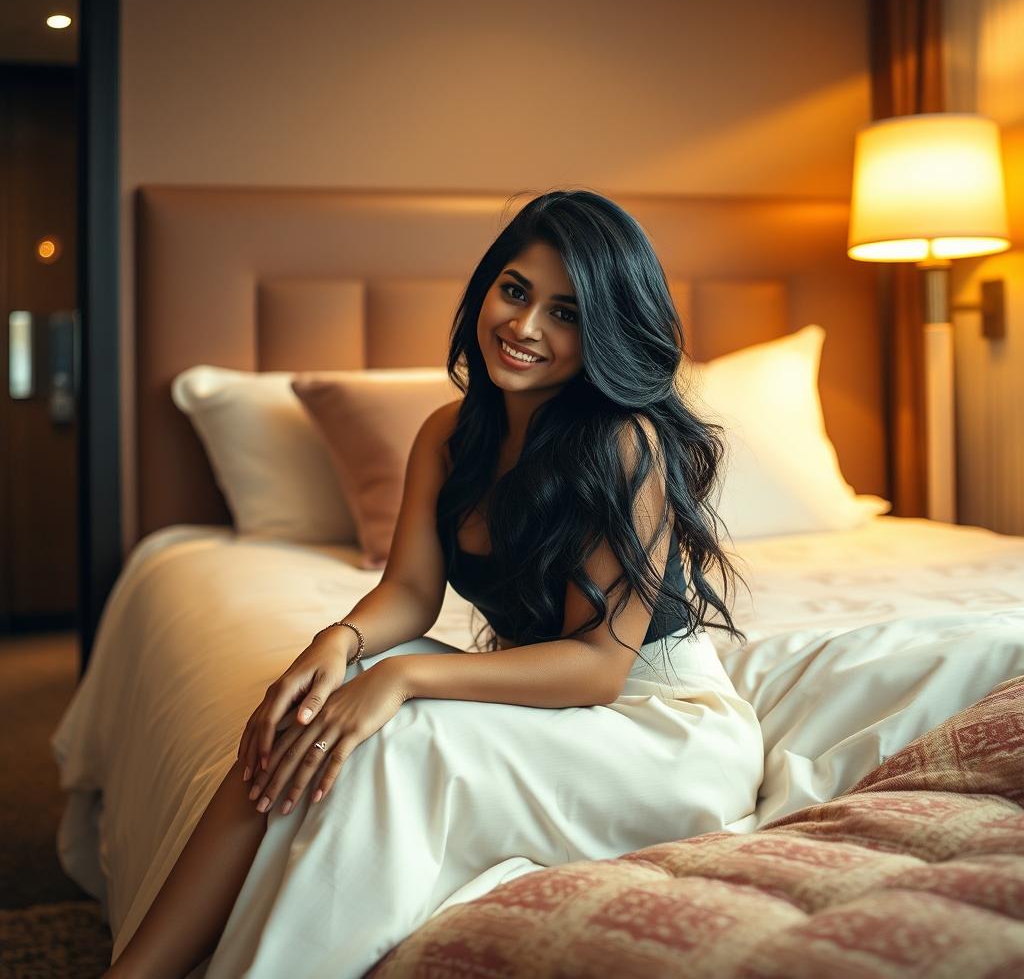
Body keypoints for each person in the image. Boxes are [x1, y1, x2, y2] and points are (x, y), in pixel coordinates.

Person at [103, 189, 764, 979]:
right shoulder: (449, 434)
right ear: (486, 286)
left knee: (393, 737)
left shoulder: (624, 443)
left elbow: (597, 667)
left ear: (607, 332)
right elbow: (412, 593)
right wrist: (338, 642)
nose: (523, 328)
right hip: (548, 704)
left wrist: (408, 674)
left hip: (658, 730)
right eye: (515, 291)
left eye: (566, 313)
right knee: (313, 707)